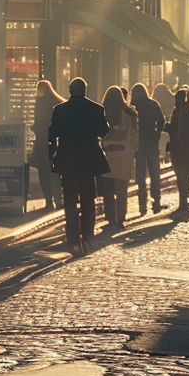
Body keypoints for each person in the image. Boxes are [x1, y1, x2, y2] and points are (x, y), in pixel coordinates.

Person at [48, 77, 111, 256]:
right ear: (85, 90)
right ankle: (88, 236)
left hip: (67, 161)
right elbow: (104, 131)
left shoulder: (59, 110)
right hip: (88, 160)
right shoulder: (96, 108)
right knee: (88, 200)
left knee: (70, 201)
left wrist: (53, 156)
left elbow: (52, 134)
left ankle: (73, 238)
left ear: (70, 90)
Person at [100, 86, 137, 230]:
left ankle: (110, 217)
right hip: (125, 153)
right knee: (122, 188)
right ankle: (121, 217)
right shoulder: (129, 113)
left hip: (108, 153)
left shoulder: (104, 113)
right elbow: (134, 134)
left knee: (108, 188)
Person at [130, 83, 166, 215]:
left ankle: (142, 203)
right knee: (154, 173)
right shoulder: (153, 104)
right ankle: (156, 200)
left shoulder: (132, 107)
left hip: (138, 143)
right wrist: (157, 133)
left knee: (140, 174)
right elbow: (162, 120)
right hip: (151, 141)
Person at [165, 89, 189, 215]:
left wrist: (168, 128)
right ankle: (184, 200)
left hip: (182, 149)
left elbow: (179, 130)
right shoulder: (187, 112)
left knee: (182, 176)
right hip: (185, 149)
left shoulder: (182, 113)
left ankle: (184, 201)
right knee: (183, 176)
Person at [30, 81, 64, 211]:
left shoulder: (40, 102)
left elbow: (39, 121)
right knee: (55, 172)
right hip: (55, 141)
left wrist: (35, 128)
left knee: (44, 171)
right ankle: (58, 199)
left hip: (43, 141)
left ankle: (49, 201)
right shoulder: (57, 103)